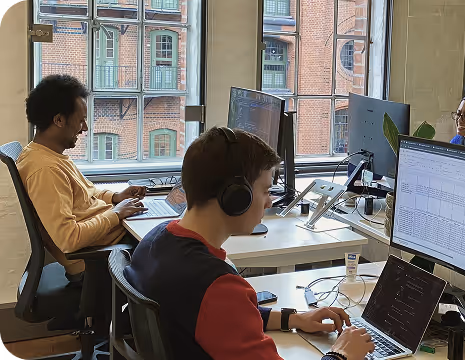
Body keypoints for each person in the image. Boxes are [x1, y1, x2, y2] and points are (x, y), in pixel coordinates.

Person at [124, 127, 375, 360]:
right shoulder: (217, 286)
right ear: (236, 198)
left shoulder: (155, 240)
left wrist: (293, 319)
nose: (269, 203)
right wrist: (341, 354)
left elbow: (218, 319)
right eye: (266, 191)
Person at [18, 74, 147, 280]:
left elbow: (87, 193)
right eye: (80, 120)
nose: (85, 128)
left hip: (109, 242)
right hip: (96, 260)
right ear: (59, 120)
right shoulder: (45, 170)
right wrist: (116, 214)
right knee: (174, 247)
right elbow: (69, 239)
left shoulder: (49, 155)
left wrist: (115, 198)